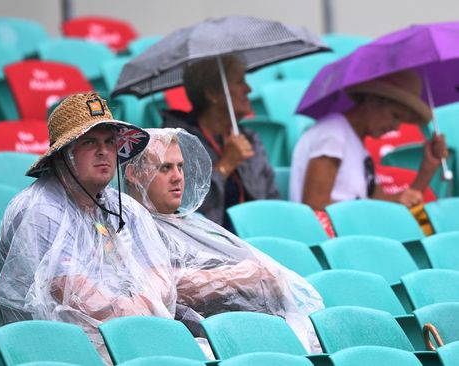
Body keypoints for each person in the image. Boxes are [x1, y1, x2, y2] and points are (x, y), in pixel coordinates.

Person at [0, 92, 177, 360]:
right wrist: (137, 316)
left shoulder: (125, 209)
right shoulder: (40, 209)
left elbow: (160, 277)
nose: (103, 151)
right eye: (89, 142)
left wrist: (140, 314)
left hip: (124, 334)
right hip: (54, 350)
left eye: (109, 142)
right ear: (63, 155)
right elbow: (71, 294)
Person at [125, 128, 324, 354]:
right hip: (202, 340)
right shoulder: (128, 229)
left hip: (249, 327)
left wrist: (259, 276)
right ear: (134, 174)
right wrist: (240, 276)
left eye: (180, 167)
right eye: (165, 168)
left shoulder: (193, 223)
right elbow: (164, 288)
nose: (178, 176)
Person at [290, 69, 448, 211]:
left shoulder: (357, 144)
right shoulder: (333, 134)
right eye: (395, 115)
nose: (396, 127)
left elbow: (383, 206)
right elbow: (315, 207)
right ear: (373, 101)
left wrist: (427, 169)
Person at [162, 54, 279, 230]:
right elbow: (186, 210)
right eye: (240, 82)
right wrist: (225, 165)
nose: (248, 89)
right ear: (213, 93)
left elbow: (272, 202)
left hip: (256, 239)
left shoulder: (249, 139)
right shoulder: (178, 144)